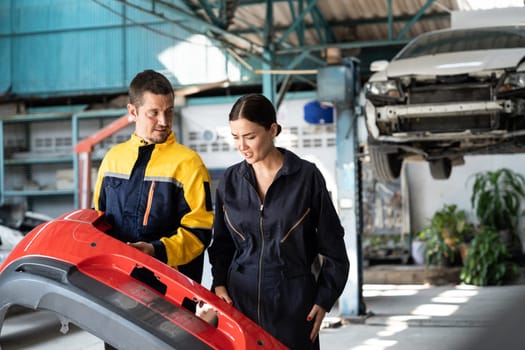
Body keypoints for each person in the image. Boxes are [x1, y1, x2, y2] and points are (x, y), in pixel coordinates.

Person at [208, 93, 350, 349]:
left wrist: (324, 298)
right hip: (240, 305)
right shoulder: (230, 181)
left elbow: (335, 248)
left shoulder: (306, 178)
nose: (242, 146)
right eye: (235, 137)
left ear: (272, 130)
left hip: (293, 306)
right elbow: (221, 244)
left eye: (250, 136)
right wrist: (218, 283)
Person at [92, 69, 213, 349]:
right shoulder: (112, 160)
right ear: (132, 111)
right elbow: (98, 220)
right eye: (153, 113)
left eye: (168, 112)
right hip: (119, 293)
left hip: (171, 298)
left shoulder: (189, 164)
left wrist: (155, 251)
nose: (163, 121)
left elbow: (199, 232)